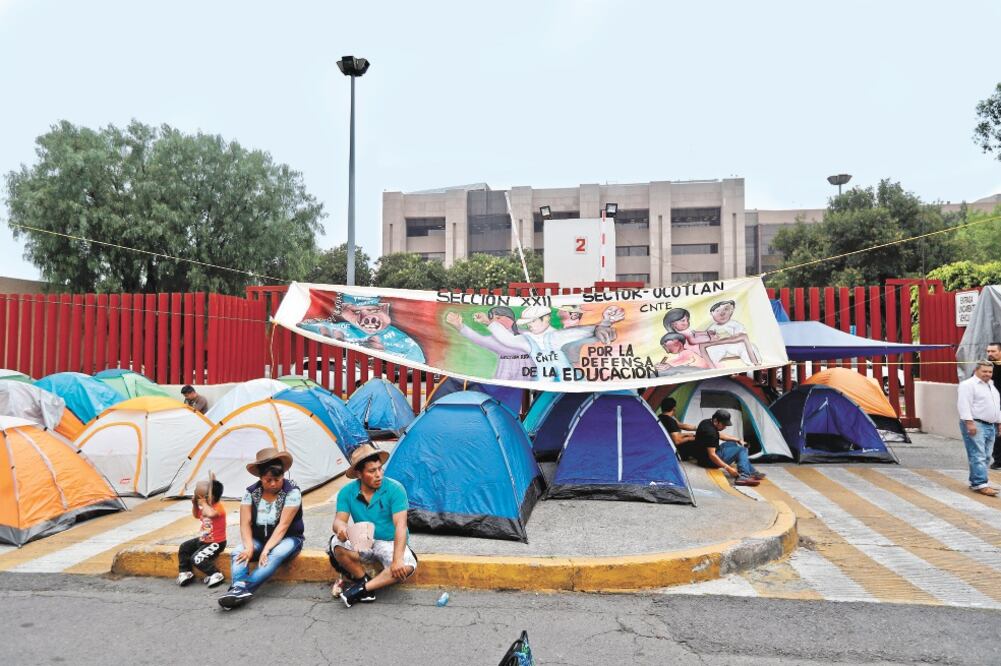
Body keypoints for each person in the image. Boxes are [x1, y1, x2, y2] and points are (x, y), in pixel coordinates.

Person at [329, 443, 418, 608]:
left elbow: (401, 525)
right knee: (336, 543)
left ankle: (363, 589)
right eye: (372, 471)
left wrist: (397, 560)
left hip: (390, 541)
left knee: (406, 566)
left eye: (380, 469)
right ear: (359, 474)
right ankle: (362, 578)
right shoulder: (347, 492)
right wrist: (341, 528)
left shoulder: (395, 489)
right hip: (365, 539)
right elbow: (339, 520)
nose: (379, 475)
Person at [217, 448, 305, 609]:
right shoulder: (251, 492)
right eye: (268, 480)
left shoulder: (292, 492)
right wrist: (249, 546)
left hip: (288, 538)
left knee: (274, 554)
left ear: (283, 476)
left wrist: (266, 549)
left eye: (277, 479)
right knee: (238, 551)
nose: (273, 484)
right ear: (260, 478)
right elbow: (245, 522)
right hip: (259, 539)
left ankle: (240, 589)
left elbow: (283, 525)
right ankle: (239, 589)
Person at [957, 360, 1001, 497]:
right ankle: (981, 483)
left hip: (990, 425)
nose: (988, 374)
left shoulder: (991, 385)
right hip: (976, 424)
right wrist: (969, 423)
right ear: (976, 370)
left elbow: (996, 406)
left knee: (986, 455)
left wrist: (999, 423)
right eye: (985, 371)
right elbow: (963, 404)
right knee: (978, 455)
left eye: (990, 372)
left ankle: (976, 482)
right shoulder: (968, 385)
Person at [691, 410, 765, 487]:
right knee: (742, 450)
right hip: (708, 461)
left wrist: (738, 440)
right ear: (716, 421)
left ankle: (751, 471)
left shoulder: (706, 422)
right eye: (723, 424)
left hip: (702, 457)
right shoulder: (710, 433)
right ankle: (744, 476)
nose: (725, 427)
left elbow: (720, 436)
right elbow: (712, 455)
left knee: (732, 443)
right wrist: (728, 468)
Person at [177, 477, 227, 588]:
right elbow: (196, 515)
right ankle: (185, 572)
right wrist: (195, 504)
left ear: (212, 497)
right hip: (203, 540)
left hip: (216, 543)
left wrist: (204, 503)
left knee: (196, 558)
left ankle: (215, 574)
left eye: (204, 495)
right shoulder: (206, 507)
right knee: (184, 547)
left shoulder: (218, 507)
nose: (201, 498)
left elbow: (211, 514)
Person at [986, 342, 1001, 471]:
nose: (990, 354)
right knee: (998, 433)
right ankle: (998, 460)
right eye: (988, 351)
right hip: (994, 405)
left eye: (993, 351)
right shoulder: (986, 367)